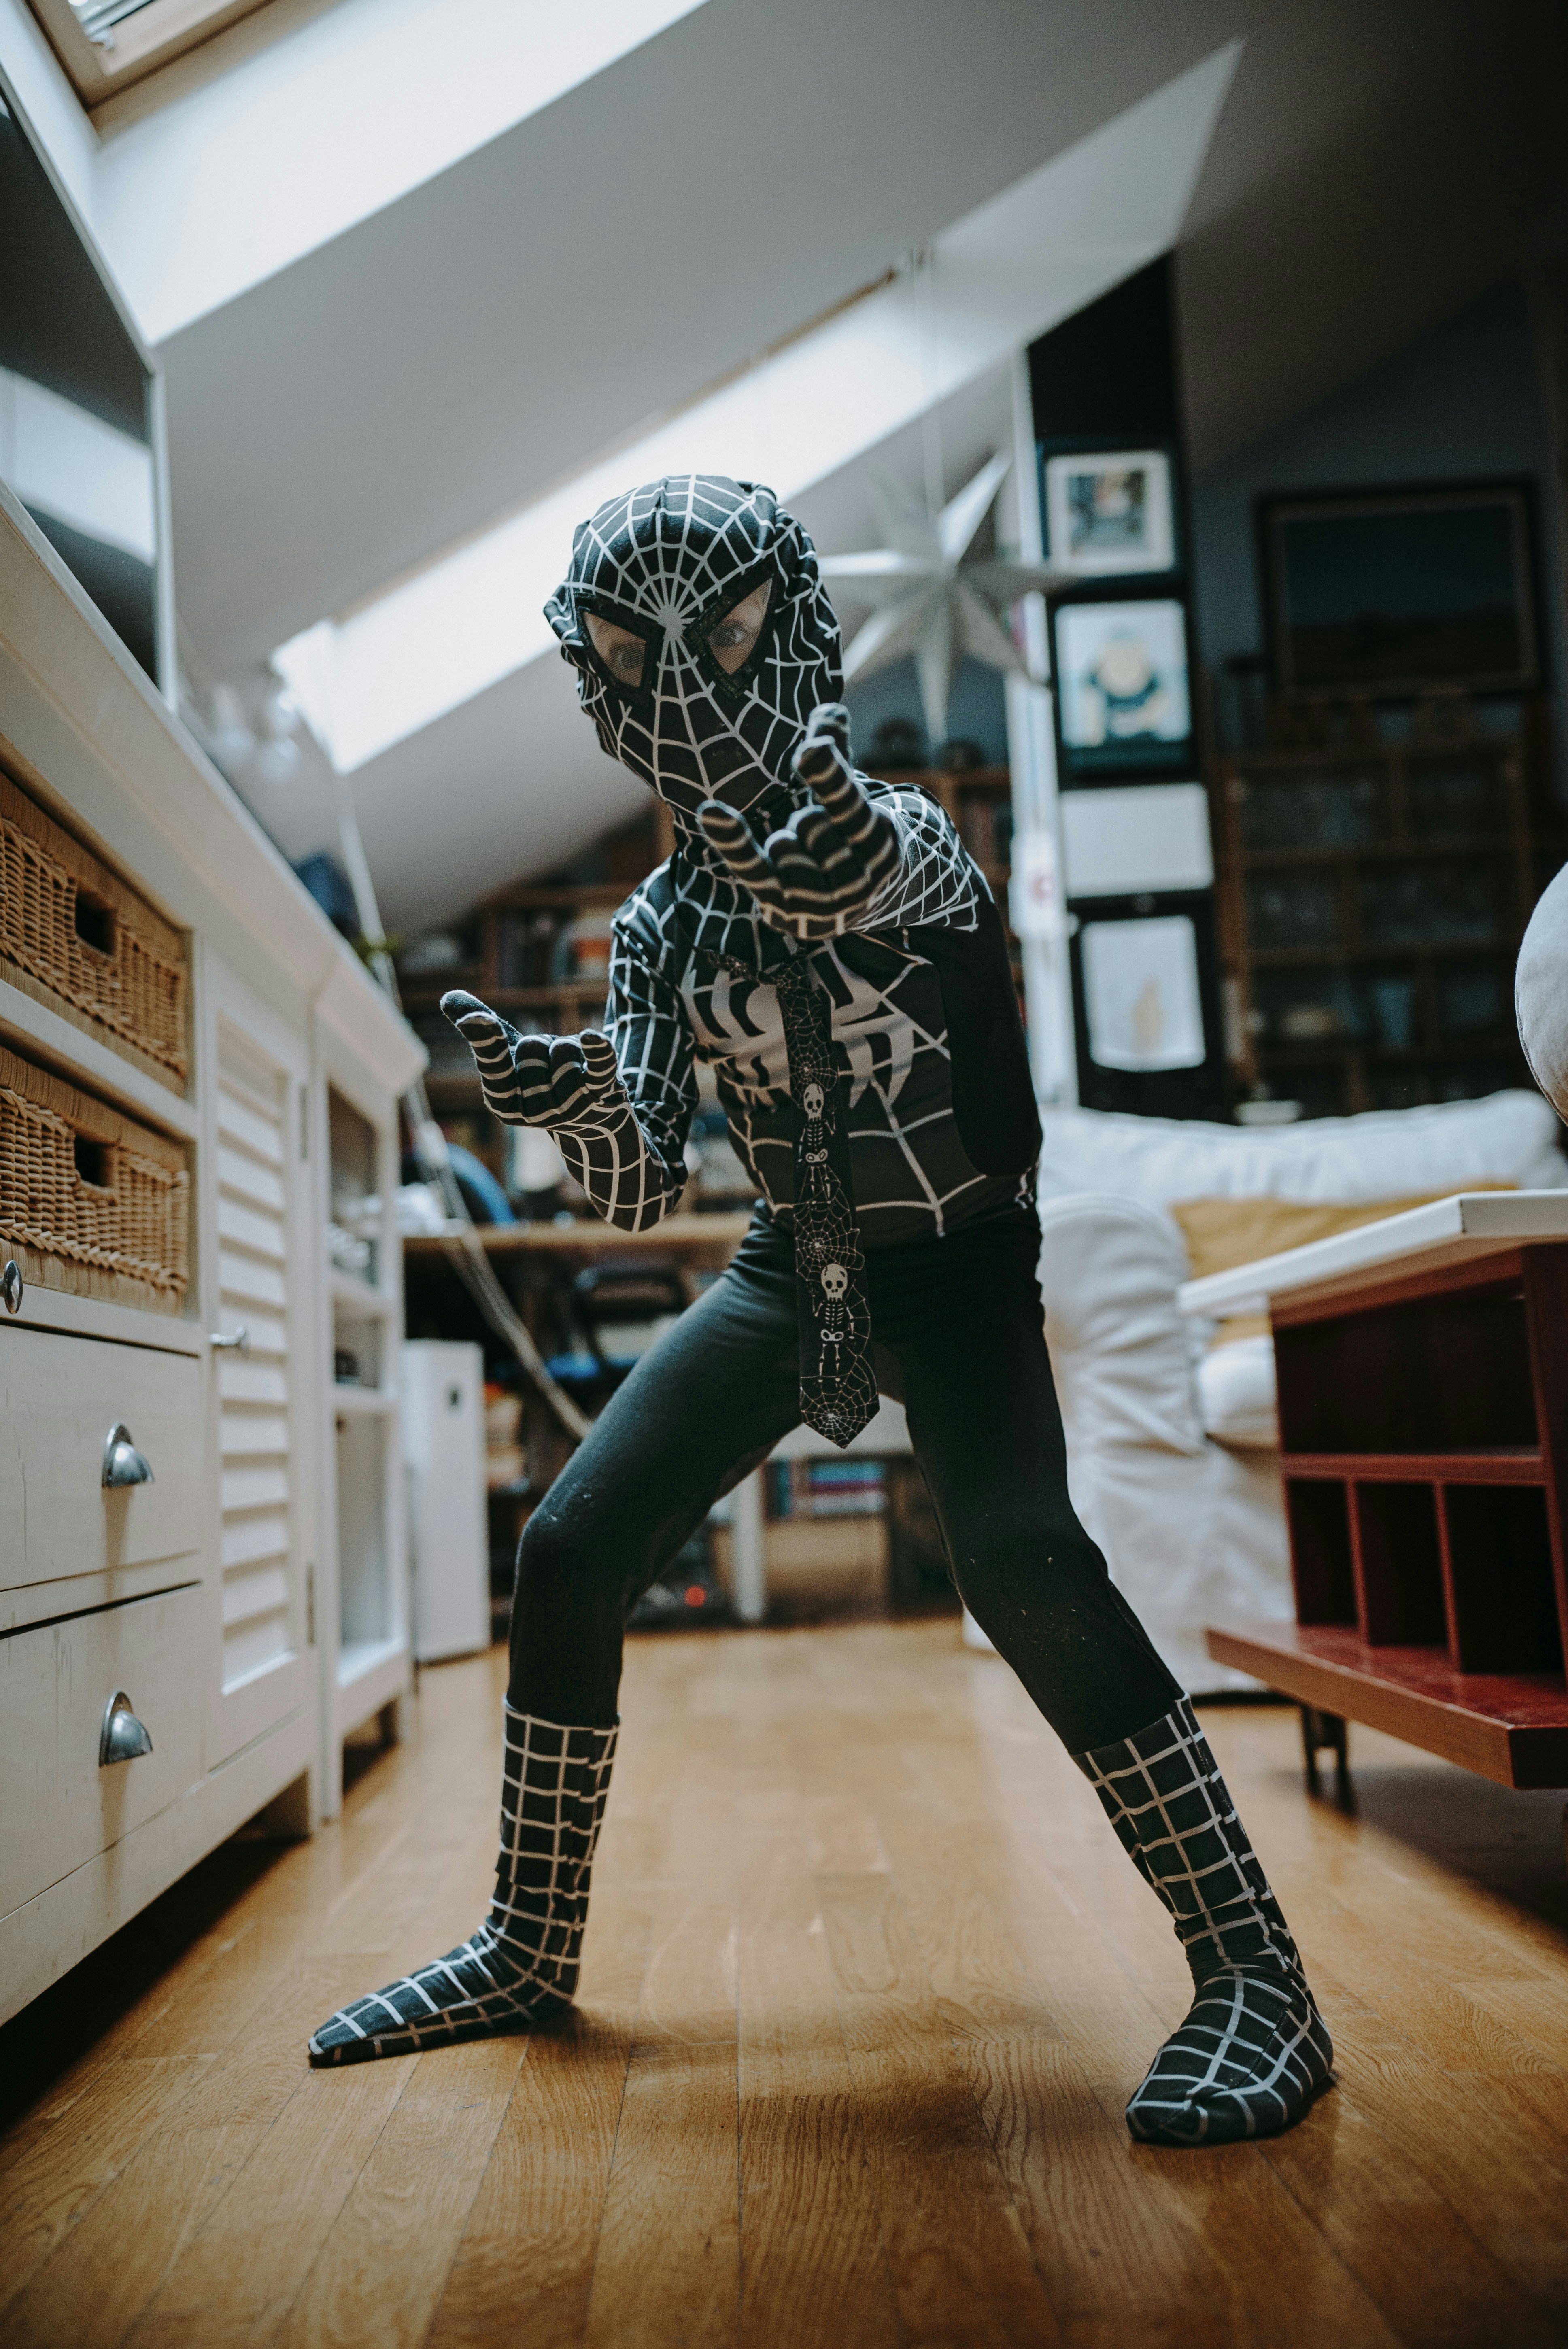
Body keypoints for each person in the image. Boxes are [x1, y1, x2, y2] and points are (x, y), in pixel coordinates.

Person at [308, 474, 1332, 2147]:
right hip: (789, 1268)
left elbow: (910, 891)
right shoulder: (659, 931)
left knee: (1023, 1556)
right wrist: (583, 1108)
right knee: (570, 1543)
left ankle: (1255, 1969)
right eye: (636, 662)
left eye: (724, 640)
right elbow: (641, 1186)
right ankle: (524, 1943)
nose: (688, 696)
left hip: (956, 1266)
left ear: (793, 633)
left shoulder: (909, 836)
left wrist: (851, 868)